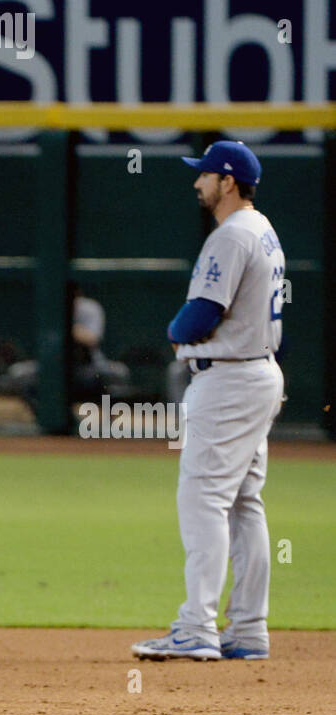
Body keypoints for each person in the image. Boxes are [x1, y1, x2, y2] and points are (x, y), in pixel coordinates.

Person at [131, 140, 284, 662]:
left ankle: (197, 626)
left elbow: (200, 314)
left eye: (205, 175)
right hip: (257, 374)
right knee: (244, 504)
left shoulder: (232, 234)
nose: (198, 182)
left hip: (230, 380)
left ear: (229, 182)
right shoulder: (263, 230)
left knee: (204, 500)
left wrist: (174, 331)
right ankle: (248, 629)